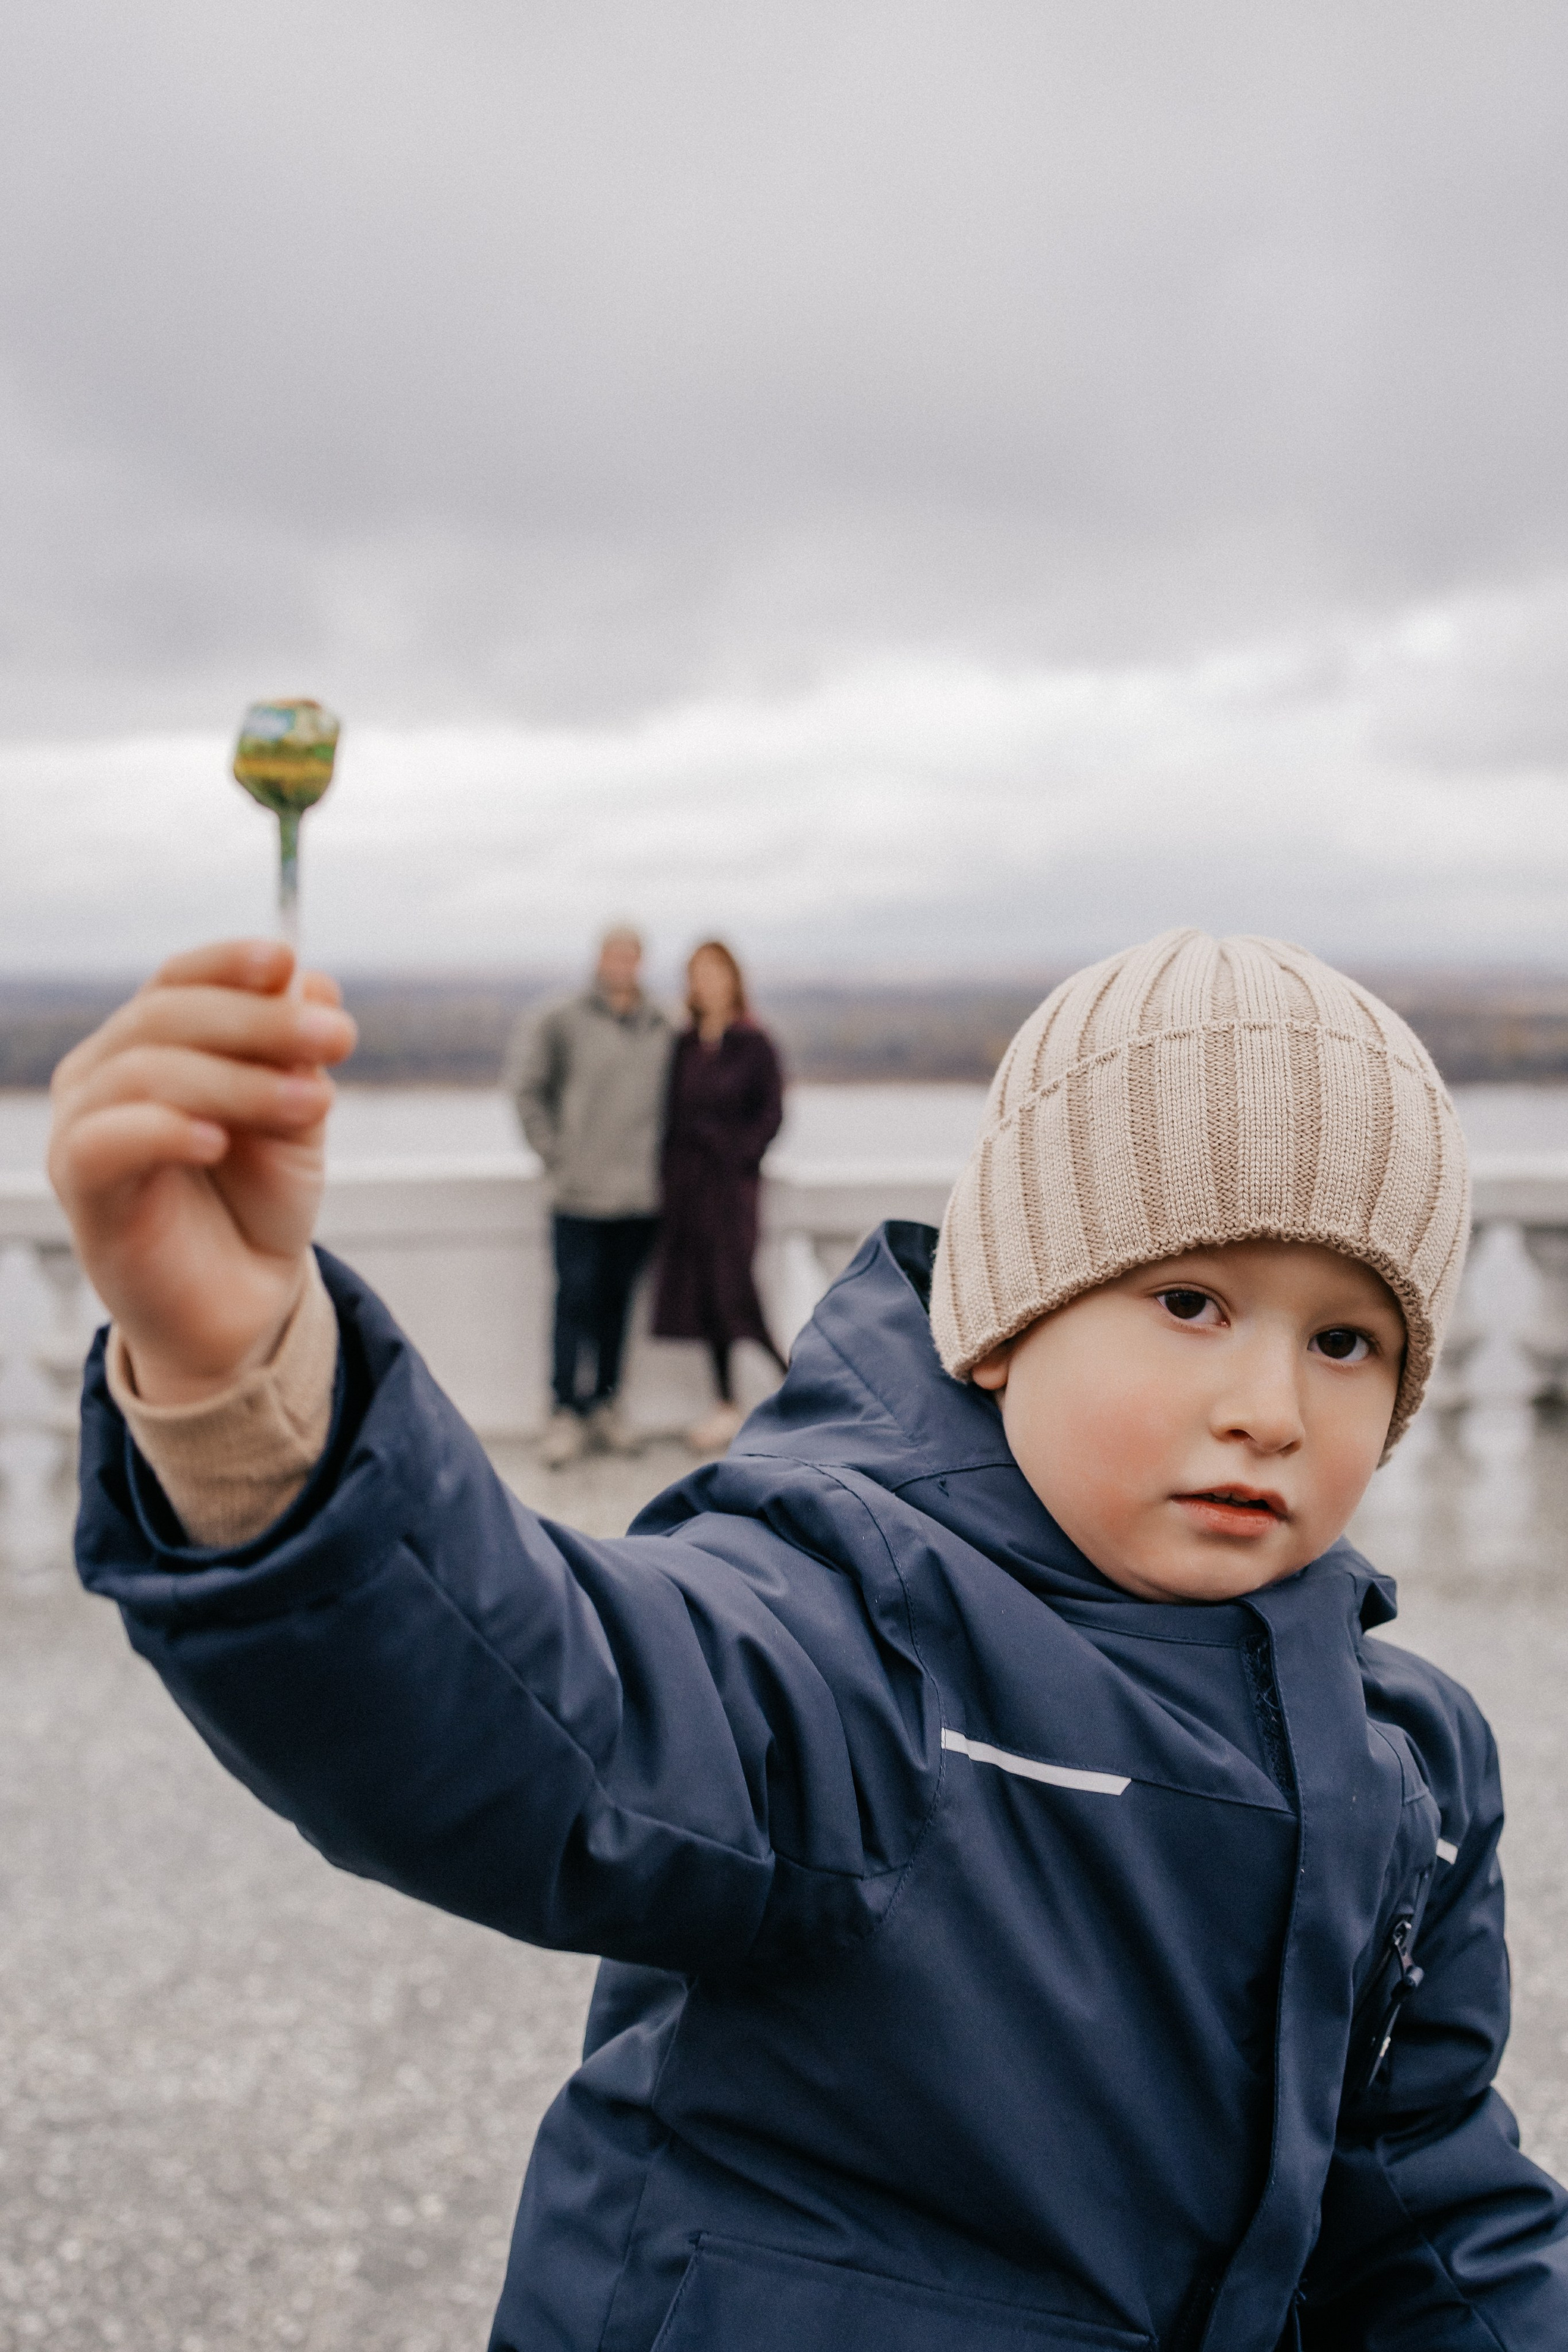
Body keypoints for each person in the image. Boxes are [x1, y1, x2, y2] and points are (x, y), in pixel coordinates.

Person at [50, 927, 1568, 2350]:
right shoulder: (852, 1633)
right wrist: (245, 1388)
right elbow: (544, 1716)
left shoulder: (1407, 1762)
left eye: (1341, 1337)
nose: (1270, 1403)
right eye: (1186, 1298)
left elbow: (1419, 2192)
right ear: (1002, 1315)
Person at [505, 925, 673, 1465]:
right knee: (572, 1300)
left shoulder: (663, 1025)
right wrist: (557, 1156)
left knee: (617, 1306)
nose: (621, 963)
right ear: (600, 958)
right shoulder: (562, 1019)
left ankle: (605, 1407)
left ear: (641, 960)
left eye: (631, 954)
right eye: (613, 953)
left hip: (639, 1196)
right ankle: (562, 1412)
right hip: (577, 1195)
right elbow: (527, 1088)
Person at [651, 939, 787, 1457]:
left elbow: (771, 1115)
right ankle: (726, 1404)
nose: (705, 983)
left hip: (732, 1190)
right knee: (706, 1297)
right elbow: (670, 1116)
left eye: (715, 972)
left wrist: (736, 1157)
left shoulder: (755, 1044)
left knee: (738, 1294)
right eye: (697, 974)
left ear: (733, 978)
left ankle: (794, 1384)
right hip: (688, 1189)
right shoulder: (685, 1043)